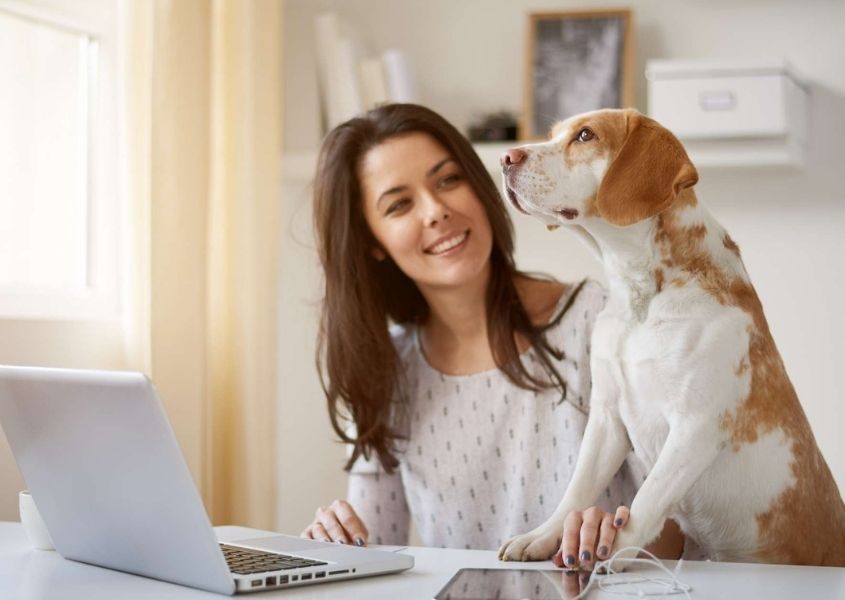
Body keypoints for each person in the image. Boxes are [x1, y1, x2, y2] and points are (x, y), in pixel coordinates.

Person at [301, 103, 685, 570]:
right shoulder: (386, 373)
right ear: (372, 242)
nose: (437, 211)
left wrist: (623, 536)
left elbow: (687, 533)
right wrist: (335, 546)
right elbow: (374, 555)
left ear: (480, 189)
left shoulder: (594, 320)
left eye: (448, 180)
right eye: (399, 205)